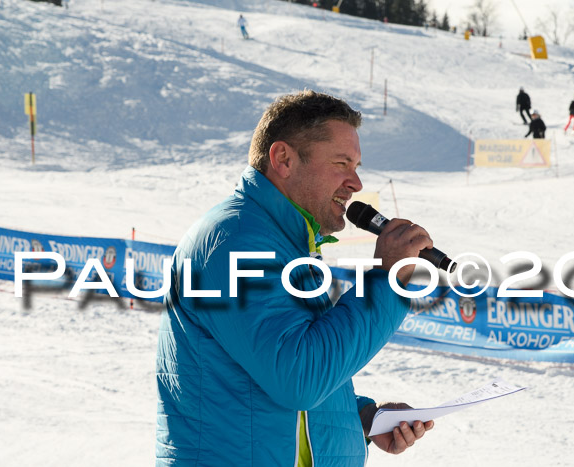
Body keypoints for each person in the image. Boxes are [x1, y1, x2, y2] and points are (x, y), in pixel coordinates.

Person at [155, 90, 435, 466]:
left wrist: (362, 418)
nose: (355, 183)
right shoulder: (236, 242)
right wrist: (385, 280)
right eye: (341, 163)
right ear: (284, 159)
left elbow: (268, 377)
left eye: (356, 166)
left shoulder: (284, 244)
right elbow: (299, 378)